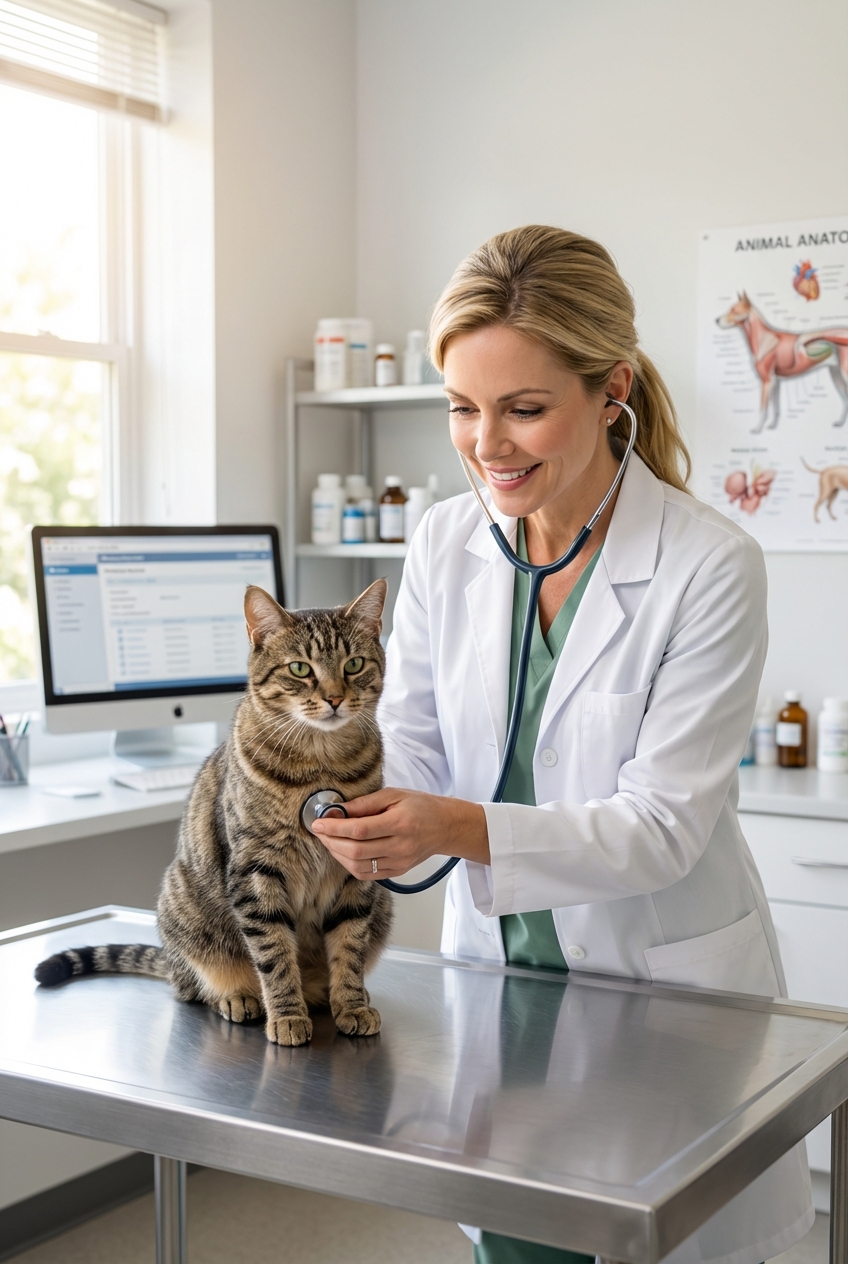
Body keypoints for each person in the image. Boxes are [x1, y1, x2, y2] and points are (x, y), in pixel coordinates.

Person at [312, 225, 813, 1264]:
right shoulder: (446, 541)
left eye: (523, 409)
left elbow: (659, 828)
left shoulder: (706, 564)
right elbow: (407, 735)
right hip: (499, 994)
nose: (485, 443)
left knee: (654, 1239)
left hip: (661, 999)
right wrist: (359, 812)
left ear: (609, 389)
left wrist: (448, 824)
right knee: (520, 1242)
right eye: (460, 408)